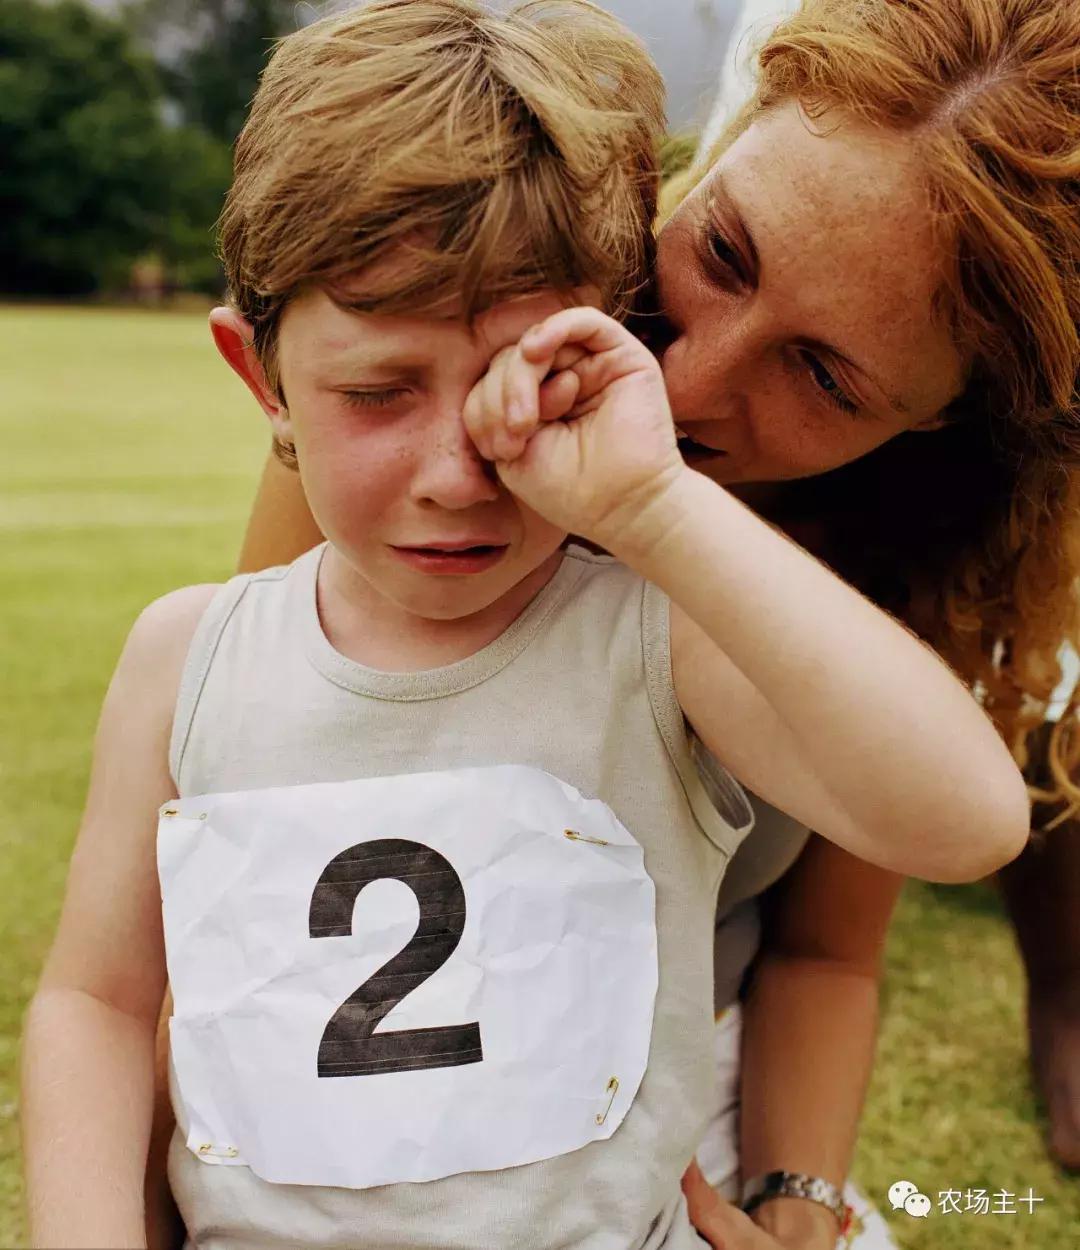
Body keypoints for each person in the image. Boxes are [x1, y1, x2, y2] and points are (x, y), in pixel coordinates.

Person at [19, 2, 1030, 1248]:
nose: (455, 470)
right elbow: (130, 986)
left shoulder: (671, 633)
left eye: (825, 373)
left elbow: (955, 827)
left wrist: (656, 508)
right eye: (722, 253)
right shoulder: (202, 646)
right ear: (264, 380)